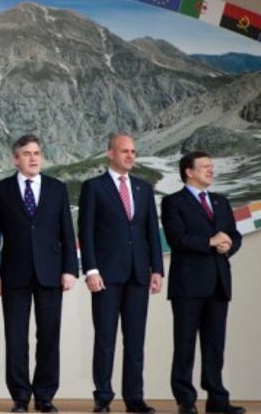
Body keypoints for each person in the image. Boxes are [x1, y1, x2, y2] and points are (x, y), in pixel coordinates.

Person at [0, 135, 77, 413]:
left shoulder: (56, 188)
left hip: (51, 273)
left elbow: (67, 231)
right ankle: (20, 397)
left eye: (37, 153)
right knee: (16, 338)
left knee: (49, 337)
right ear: (16, 159)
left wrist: (70, 269)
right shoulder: (0, 190)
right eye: (26, 154)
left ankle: (45, 396)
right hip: (13, 273)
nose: (33, 158)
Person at [78, 132, 163, 414]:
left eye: (133, 152)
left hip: (139, 274)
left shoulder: (143, 188)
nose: (130, 156)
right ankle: (103, 398)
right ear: (110, 154)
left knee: (135, 340)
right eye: (125, 151)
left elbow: (151, 231)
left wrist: (157, 269)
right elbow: (86, 232)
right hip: (106, 275)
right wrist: (91, 270)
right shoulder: (94, 187)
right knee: (105, 339)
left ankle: (134, 398)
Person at [161, 152, 244, 414]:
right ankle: (186, 401)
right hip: (188, 285)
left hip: (219, 283)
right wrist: (210, 242)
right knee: (184, 345)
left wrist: (229, 246)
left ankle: (217, 399)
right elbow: (176, 239)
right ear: (189, 171)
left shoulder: (221, 201)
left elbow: (234, 235)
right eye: (205, 166)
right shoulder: (173, 202)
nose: (211, 170)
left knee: (215, 346)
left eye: (212, 166)